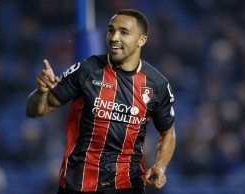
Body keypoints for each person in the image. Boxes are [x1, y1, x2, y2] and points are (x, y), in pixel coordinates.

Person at [26, 9, 176, 194]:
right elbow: (35, 110)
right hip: (78, 183)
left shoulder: (156, 84)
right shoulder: (87, 70)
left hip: (127, 184)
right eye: (111, 30)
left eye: (124, 32)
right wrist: (41, 92)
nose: (114, 37)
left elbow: (168, 131)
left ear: (141, 40)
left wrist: (160, 166)